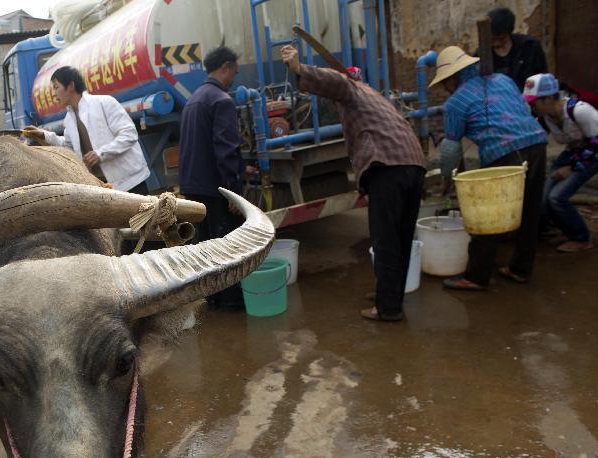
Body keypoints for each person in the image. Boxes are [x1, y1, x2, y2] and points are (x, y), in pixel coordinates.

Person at [280, 45, 427, 322]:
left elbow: (334, 82)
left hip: (387, 166)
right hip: (413, 164)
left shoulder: (350, 88)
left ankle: (388, 309)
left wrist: (299, 69)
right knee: (401, 238)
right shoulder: (376, 97)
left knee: (385, 240)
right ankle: (390, 294)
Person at [432, 46, 547, 290]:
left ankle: (476, 276)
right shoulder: (504, 80)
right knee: (529, 210)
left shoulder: (456, 102)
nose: (445, 89)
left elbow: (451, 149)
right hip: (537, 143)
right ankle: (520, 269)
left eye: (444, 83)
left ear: (453, 77)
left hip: (503, 153)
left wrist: (446, 178)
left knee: (486, 212)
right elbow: (523, 110)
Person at [178, 46, 256, 310]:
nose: (235, 76)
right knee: (228, 247)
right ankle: (231, 302)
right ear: (225, 67)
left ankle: (212, 299)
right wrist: (233, 191)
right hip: (215, 190)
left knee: (206, 246)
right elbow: (226, 149)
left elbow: (202, 147)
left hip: (194, 187)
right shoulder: (221, 100)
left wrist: (240, 169)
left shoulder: (195, 99)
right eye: (234, 70)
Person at [24, 66, 150, 195]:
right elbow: (69, 147)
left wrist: (100, 153)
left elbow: (129, 134)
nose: (54, 93)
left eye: (56, 87)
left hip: (130, 183)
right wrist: (44, 135)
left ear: (71, 86)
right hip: (104, 188)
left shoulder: (104, 103)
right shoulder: (69, 119)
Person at [524, 73, 596, 252]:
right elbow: (533, 139)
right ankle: (560, 228)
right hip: (573, 152)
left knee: (557, 197)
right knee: (543, 195)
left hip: (592, 154)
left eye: (534, 102)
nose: (532, 106)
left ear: (548, 98)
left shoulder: (580, 110)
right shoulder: (545, 117)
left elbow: (596, 143)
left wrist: (571, 168)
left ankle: (582, 238)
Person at [487, 7, 548, 91]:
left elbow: (541, 77)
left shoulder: (530, 47)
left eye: (501, 38)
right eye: (493, 39)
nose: (496, 43)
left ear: (509, 33)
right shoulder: (482, 55)